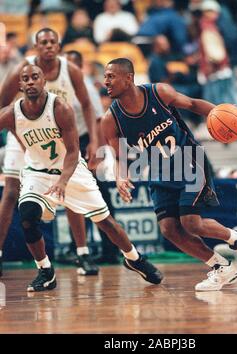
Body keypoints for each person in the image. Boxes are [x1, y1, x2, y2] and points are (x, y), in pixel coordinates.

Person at [101, 58, 237, 292]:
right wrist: (121, 176)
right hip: (158, 171)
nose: (106, 81)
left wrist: (224, 114)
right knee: (169, 230)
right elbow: (119, 156)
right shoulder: (110, 119)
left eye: (111, 76)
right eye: (105, 77)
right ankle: (221, 267)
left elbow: (194, 104)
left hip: (189, 161)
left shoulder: (158, 93)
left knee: (191, 223)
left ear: (129, 78)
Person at [0, 64, 163, 291]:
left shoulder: (60, 108)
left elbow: (73, 151)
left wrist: (63, 181)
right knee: (27, 216)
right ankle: (46, 271)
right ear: (20, 85)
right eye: (25, 78)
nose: (30, 82)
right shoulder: (10, 114)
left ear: (43, 80)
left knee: (105, 222)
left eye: (34, 77)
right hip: (37, 172)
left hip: (72, 170)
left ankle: (135, 259)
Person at [0, 28, 98, 277]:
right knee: (11, 192)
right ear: (35, 46)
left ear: (59, 45)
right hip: (25, 134)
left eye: (52, 42)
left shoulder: (70, 70)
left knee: (71, 189)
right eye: (43, 42)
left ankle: (82, 252)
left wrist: (94, 141)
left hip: (56, 140)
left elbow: (87, 104)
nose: (48, 46)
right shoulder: (23, 70)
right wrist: (19, 135)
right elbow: (2, 104)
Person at [65, 50, 120, 264]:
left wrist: (95, 153)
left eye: (70, 65)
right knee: (78, 195)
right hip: (73, 143)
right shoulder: (65, 85)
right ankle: (82, 248)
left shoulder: (86, 86)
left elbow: (98, 120)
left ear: (78, 66)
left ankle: (110, 248)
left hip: (87, 142)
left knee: (97, 195)